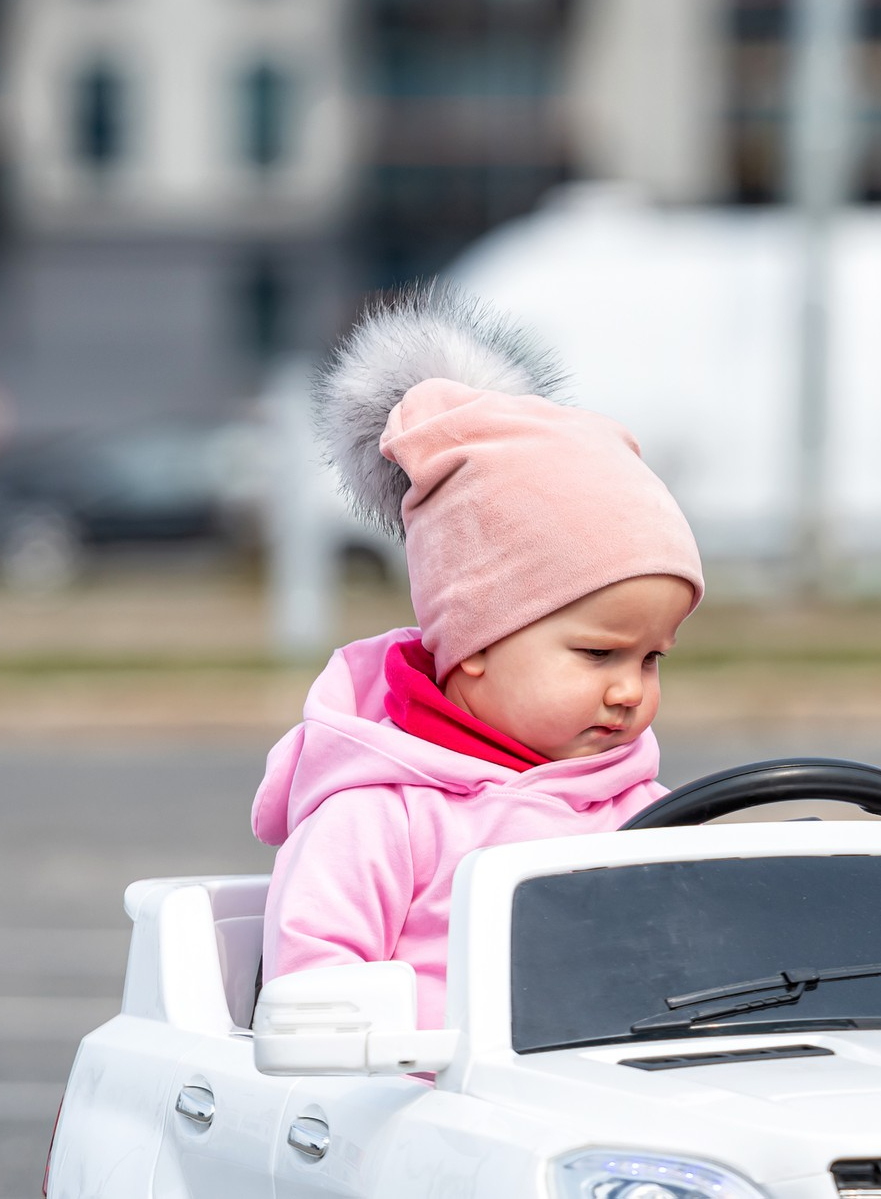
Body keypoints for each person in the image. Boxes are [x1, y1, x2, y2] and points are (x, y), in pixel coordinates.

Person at [253, 288, 702, 1030]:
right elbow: (317, 996)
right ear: (475, 646)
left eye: (652, 658)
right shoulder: (382, 816)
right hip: (424, 1119)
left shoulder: (646, 813)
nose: (630, 689)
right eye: (598, 653)